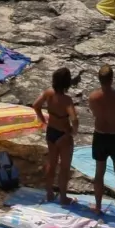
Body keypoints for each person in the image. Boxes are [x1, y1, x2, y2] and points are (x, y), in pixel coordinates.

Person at [86, 65, 115, 217]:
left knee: (99, 173)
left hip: (100, 136)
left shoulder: (93, 97)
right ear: (112, 79)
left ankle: (98, 207)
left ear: (99, 79)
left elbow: (94, 113)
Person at [33, 68, 78, 206]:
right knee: (64, 167)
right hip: (63, 135)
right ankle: (63, 198)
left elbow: (36, 105)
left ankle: (49, 193)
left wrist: (43, 121)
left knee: (52, 163)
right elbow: (74, 119)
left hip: (51, 132)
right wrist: (72, 132)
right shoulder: (67, 100)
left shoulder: (48, 93)